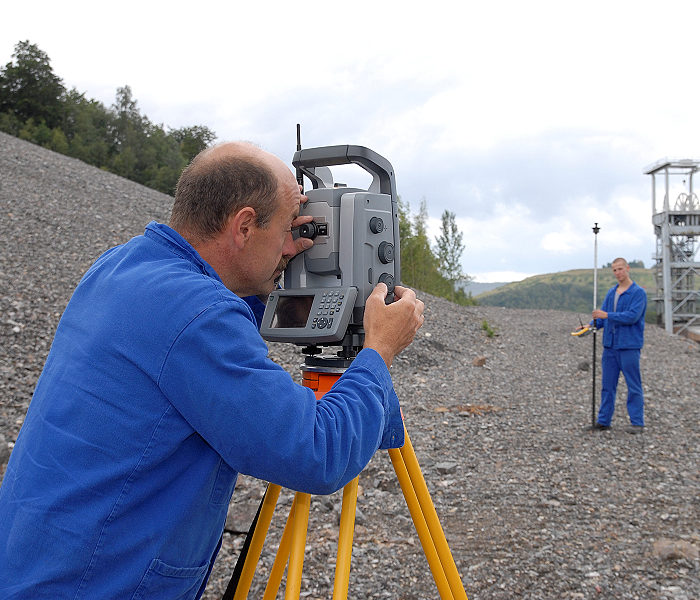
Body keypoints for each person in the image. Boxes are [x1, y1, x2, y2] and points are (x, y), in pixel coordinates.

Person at [0, 142, 425, 599]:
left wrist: (275, 270)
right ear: (243, 225)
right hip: (97, 582)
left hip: (34, 559)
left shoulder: (122, 266)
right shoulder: (200, 316)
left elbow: (191, 329)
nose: (292, 247)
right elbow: (316, 452)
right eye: (287, 229)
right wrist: (378, 350)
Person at [590, 257, 647, 434]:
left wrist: (606, 316)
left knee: (633, 385)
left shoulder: (638, 293)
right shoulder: (611, 292)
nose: (618, 273)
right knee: (607, 385)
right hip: (610, 346)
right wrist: (589, 326)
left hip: (629, 346)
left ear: (627, 268)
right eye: (614, 270)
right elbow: (602, 319)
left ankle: (637, 423)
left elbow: (632, 317)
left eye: (620, 269)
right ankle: (603, 421)